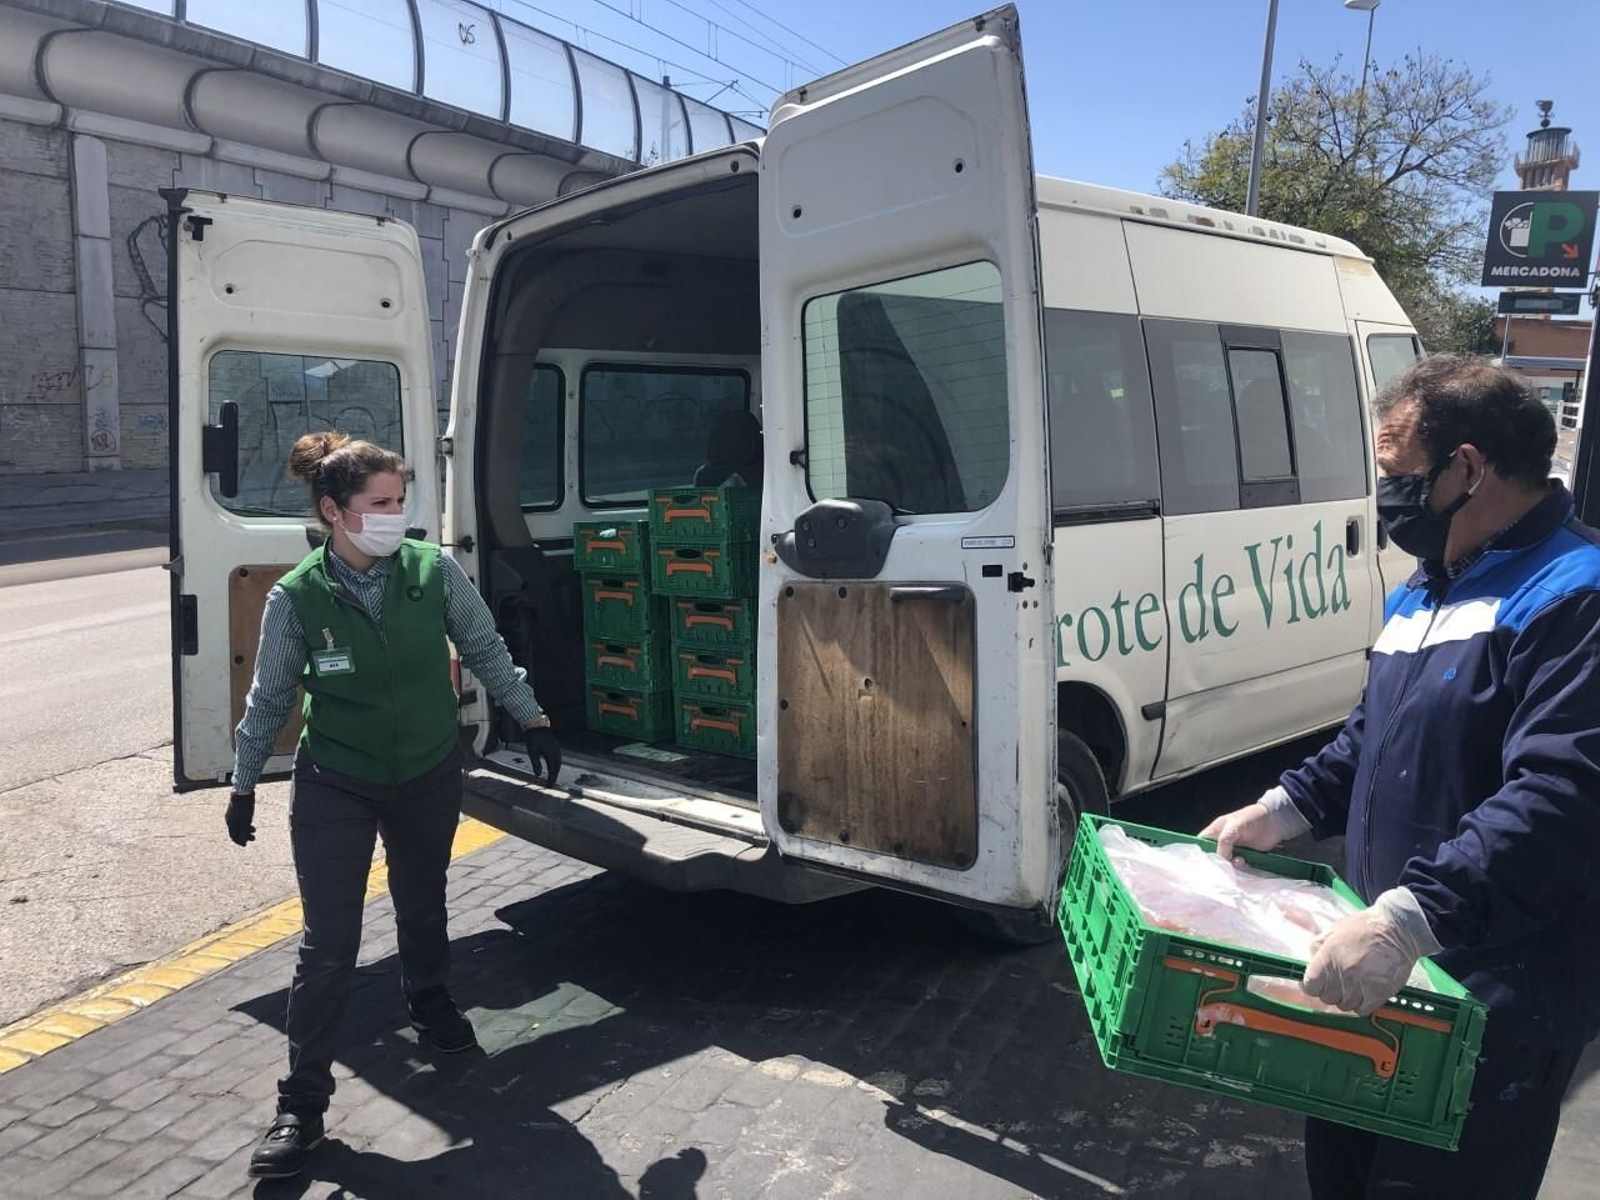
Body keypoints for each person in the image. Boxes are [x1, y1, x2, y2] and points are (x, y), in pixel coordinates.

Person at [1200, 355, 1600, 1199]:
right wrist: (1279, 809)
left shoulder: (1578, 594)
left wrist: (1412, 919)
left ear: (1467, 467)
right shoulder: (1424, 589)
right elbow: (1368, 740)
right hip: (1377, 977)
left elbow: (1561, 797)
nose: (1385, 498)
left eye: (1397, 474)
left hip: (1493, 1000)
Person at [227, 432, 561, 1180]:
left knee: (422, 899)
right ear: (333, 511)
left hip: (427, 768)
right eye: (379, 504)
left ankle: (431, 998)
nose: (395, 515)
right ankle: (302, 1107)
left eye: (400, 502)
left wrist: (530, 715)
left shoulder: (432, 570)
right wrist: (244, 782)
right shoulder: (297, 597)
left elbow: (483, 646)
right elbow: (270, 696)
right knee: (328, 943)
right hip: (337, 778)